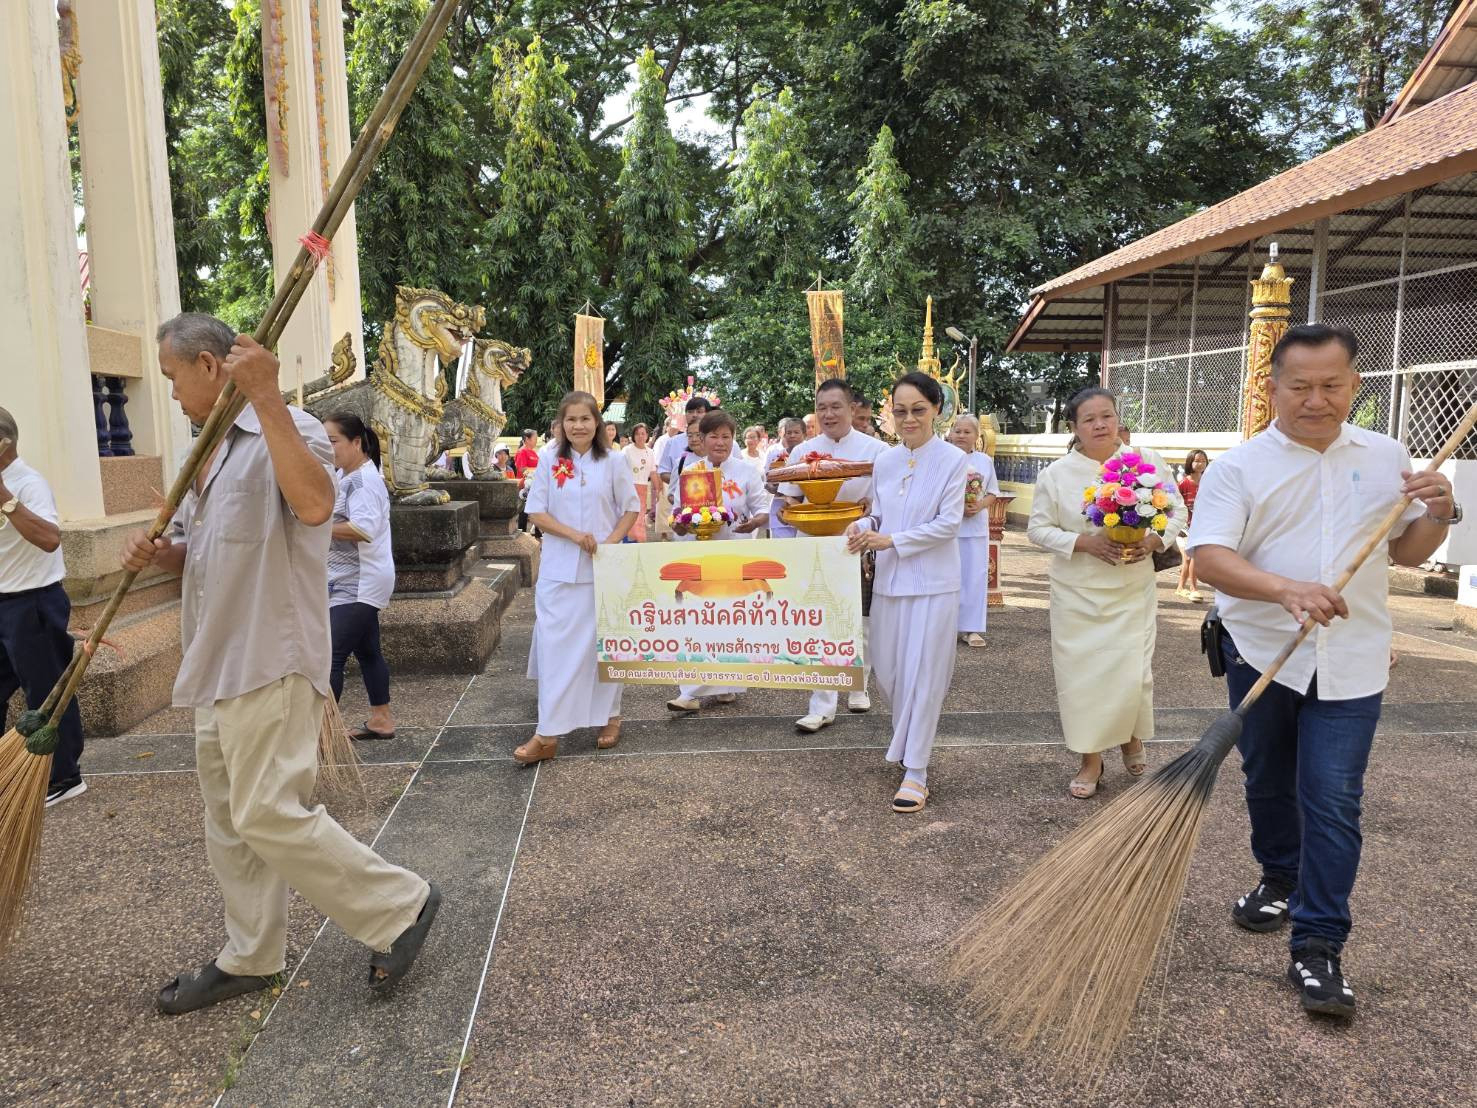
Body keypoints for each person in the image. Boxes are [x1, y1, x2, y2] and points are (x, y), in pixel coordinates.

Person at [124, 313, 438, 1015]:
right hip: (216, 659)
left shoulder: (286, 426)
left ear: (210, 366)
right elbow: (211, 555)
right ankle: (251, 954)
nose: (170, 393)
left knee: (267, 812)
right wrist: (162, 555)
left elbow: (317, 505)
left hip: (270, 654)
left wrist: (265, 397)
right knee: (229, 820)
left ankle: (401, 906)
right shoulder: (205, 450)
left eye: (174, 378)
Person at [1188, 323, 1459, 1019]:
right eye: (1300, 386)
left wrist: (1439, 511)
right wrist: (1285, 589)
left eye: (1331, 386)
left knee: (1333, 800)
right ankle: (1278, 877)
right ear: (1271, 386)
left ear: (1354, 386)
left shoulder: (1385, 454)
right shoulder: (1238, 467)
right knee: (1267, 782)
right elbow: (1211, 558)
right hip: (1261, 655)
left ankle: (1317, 947)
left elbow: (1406, 552)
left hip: (1354, 661)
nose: (1316, 400)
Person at [1027, 387, 1186, 799]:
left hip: (1132, 587)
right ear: (1074, 428)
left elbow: (1177, 512)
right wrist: (1084, 543)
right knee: (1083, 679)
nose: (1100, 425)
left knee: (1132, 672)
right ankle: (1090, 759)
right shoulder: (1056, 474)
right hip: (1077, 594)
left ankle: (1131, 735)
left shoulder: (1146, 462)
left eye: (1107, 416)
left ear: (1118, 419)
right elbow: (1038, 529)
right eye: (1089, 419)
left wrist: (1154, 540)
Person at [844, 372, 968, 813]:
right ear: (889, 415)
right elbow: (879, 514)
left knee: (923, 676)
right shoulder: (886, 461)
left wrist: (891, 540)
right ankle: (908, 748)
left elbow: (948, 524)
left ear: (937, 409)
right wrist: (864, 527)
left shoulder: (955, 460)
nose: (909, 418)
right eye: (900, 411)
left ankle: (917, 771)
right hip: (890, 584)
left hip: (934, 584)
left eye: (918, 409)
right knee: (890, 675)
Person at [516, 391, 640, 764]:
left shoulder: (615, 462)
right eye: (571, 419)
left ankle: (611, 717)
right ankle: (548, 733)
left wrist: (608, 544)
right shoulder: (549, 460)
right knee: (556, 652)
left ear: (597, 423)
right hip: (558, 570)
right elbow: (536, 512)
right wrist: (575, 536)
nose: (578, 426)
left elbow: (630, 509)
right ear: (562, 423)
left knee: (604, 648)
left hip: (602, 572)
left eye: (585, 419)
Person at [779, 380, 888, 731]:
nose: (828, 414)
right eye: (822, 407)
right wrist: (796, 512)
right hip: (813, 548)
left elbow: (886, 503)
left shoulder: (876, 451)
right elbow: (789, 498)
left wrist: (869, 515)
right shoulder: (802, 452)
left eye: (836, 406)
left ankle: (858, 683)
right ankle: (822, 705)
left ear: (852, 408)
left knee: (862, 621)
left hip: (857, 545)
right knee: (820, 625)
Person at [0, 407, 86, 807]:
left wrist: (4, 498)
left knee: (46, 690)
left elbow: (50, 538)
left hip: (33, 601)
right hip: (3, 600)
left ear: (3, 444)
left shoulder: (28, 484)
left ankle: (65, 775)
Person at [665, 410, 770, 714]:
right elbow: (677, 514)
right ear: (702, 439)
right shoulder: (690, 471)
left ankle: (727, 683)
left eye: (726, 436)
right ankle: (689, 692)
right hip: (698, 555)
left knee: (730, 621)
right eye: (714, 436)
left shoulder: (746, 471)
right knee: (699, 622)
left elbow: (762, 508)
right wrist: (680, 525)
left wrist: (754, 524)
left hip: (735, 554)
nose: (720, 442)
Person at [322, 413, 397, 742]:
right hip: (349, 578)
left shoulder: (363, 481)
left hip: (359, 581)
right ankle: (381, 719)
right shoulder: (345, 475)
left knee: (330, 658)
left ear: (356, 442)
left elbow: (362, 530)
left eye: (333, 441)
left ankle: (321, 735)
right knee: (368, 652)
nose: (327, 447)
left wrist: (314, 528)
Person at [947, 414, 1000, 647]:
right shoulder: (942, 458)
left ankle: (971, 629)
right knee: (947, 578)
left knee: (974, 577)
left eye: (967, 432)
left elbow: (992, 493)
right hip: (947, 528)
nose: (961, 435)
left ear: (976, 436)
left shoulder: (984, 461)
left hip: (975, 528)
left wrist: (978, 505)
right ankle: (945, 628)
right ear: (950, 433)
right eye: (957, 431)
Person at [1176, 448, 1210, 602]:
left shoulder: (1209, 481)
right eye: (1197, 460)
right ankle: (1193, 589)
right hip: (1184, 527)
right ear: (1190, 462)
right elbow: (1174, 504)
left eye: (1203, 461)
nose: (1200, 463)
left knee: (1190, 558)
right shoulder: (1183, 483)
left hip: (1201, 526)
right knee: (1190, 558)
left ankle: (1181, 588)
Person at [764, 418, 807, 539]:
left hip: (804, 510)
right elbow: (769, 480)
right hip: (779, 509)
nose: (792, 435)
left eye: (796, 432)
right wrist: (772, 487)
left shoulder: (811, 456)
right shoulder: (777, 457)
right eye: (789, 432)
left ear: (804, 434)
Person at [622, 423, 656, 543]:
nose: (640, 436)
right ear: (633, 436)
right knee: (628, 514)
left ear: (647, 435)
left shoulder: (650, 452)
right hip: (628, 487)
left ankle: (638, 541)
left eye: (643, 433)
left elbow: (653, 472)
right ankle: (627, 540)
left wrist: (658, 488)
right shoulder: (627, 450)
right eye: (637, 434)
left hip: (643, 487)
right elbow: (621, 470)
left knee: (640, 516)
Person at [514, 429, 541, 532]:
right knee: (524, 511)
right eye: (535, 438)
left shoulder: (533, 452)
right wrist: (536, 471)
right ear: (527, 439)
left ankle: (537, 531)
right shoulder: (522, 451)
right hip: (525, 485)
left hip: (535, 484)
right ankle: (522, 532)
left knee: (537, 509)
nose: (536, 441)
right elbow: (522, 468)